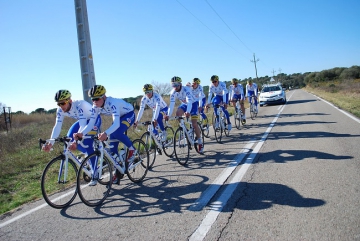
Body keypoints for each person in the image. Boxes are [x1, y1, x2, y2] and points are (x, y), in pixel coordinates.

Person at [73, 85, 136, 185]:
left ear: (103, 97)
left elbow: (116, 124)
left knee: (117, 132)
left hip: (128, 114)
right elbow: (91, 123)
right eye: (93, 99)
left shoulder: (112, 103)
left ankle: (132, 149)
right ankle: (118, 171)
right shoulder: (95, 107)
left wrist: (105, 133)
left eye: (97, 99)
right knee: (112, 149)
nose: (95, 102)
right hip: (119, 118)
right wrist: (82, 133)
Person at [42, 90, 101, 167]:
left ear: (70, 100)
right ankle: (90, 156)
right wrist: (50, 144)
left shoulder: (80, 105)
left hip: (94, 120)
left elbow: (83, 125)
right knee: (69, 140)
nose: (61, 106)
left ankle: (95, 173)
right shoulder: (60, 110)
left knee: (86, 143)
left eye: (63, 103)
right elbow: (57, 126)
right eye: (58, 104)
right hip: (83, 121)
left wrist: (76, 142)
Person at [164, 76, 204, 154]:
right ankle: (185, 129)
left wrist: (188, 112)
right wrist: (168, 115)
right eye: (173, 85)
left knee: (194, 124)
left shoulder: (187, 89)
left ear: (180, 84)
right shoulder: (172, 92)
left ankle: (200, 142)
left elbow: (189, 101)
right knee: (178, 114)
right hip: (184, 104)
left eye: (176, 84)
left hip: (193, 104)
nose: (175, 87)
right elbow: (172, 105)